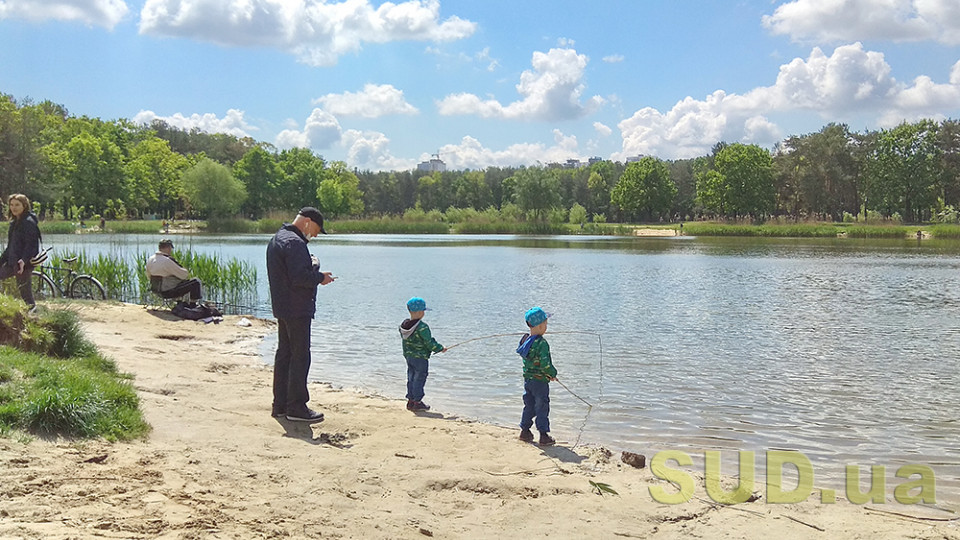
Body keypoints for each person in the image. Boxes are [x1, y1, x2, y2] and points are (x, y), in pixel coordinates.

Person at [266, 207, 335, 423]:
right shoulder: (295, 243)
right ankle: (296, 407)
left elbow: (290, 274)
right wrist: (319, 276)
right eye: (316, 229)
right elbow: (299, 277)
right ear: (307, 221)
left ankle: (280, 405)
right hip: (296, 307)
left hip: (283, 306)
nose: (314, 235)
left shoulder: (277, 238)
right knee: (299, 356)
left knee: (285, 354)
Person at [516, 307, 557, 446]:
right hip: (540, 382)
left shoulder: (525, 341)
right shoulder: (542, 343)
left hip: (528, 380)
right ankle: (544, 435)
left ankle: (525, 431)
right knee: (542, 406)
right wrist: (552, 374)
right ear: (540, 326)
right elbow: (545, 364)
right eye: (545, 324)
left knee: (529, 406)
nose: (546, 327)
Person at [399, 296, 447, 411]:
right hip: (420, 358)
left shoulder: (404, 326)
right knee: (419, 378)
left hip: (408, 356)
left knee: (411, 377)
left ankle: (410, 401)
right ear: (420, 312)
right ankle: (417, 402)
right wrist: (440, 348)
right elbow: (429, 342)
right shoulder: (422, 327)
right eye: (423, 311)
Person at [0, 194, 42, 309]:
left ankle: (34, 317)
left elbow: (32, 246)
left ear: (24, 206)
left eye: (17, 205)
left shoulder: (28, 222)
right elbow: (10, 247)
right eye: (12, 205)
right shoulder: (14, 223)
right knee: (25, 294)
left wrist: (23, 260)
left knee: (26, 295)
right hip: (13, 262)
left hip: (23, 265)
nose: (14, 207)